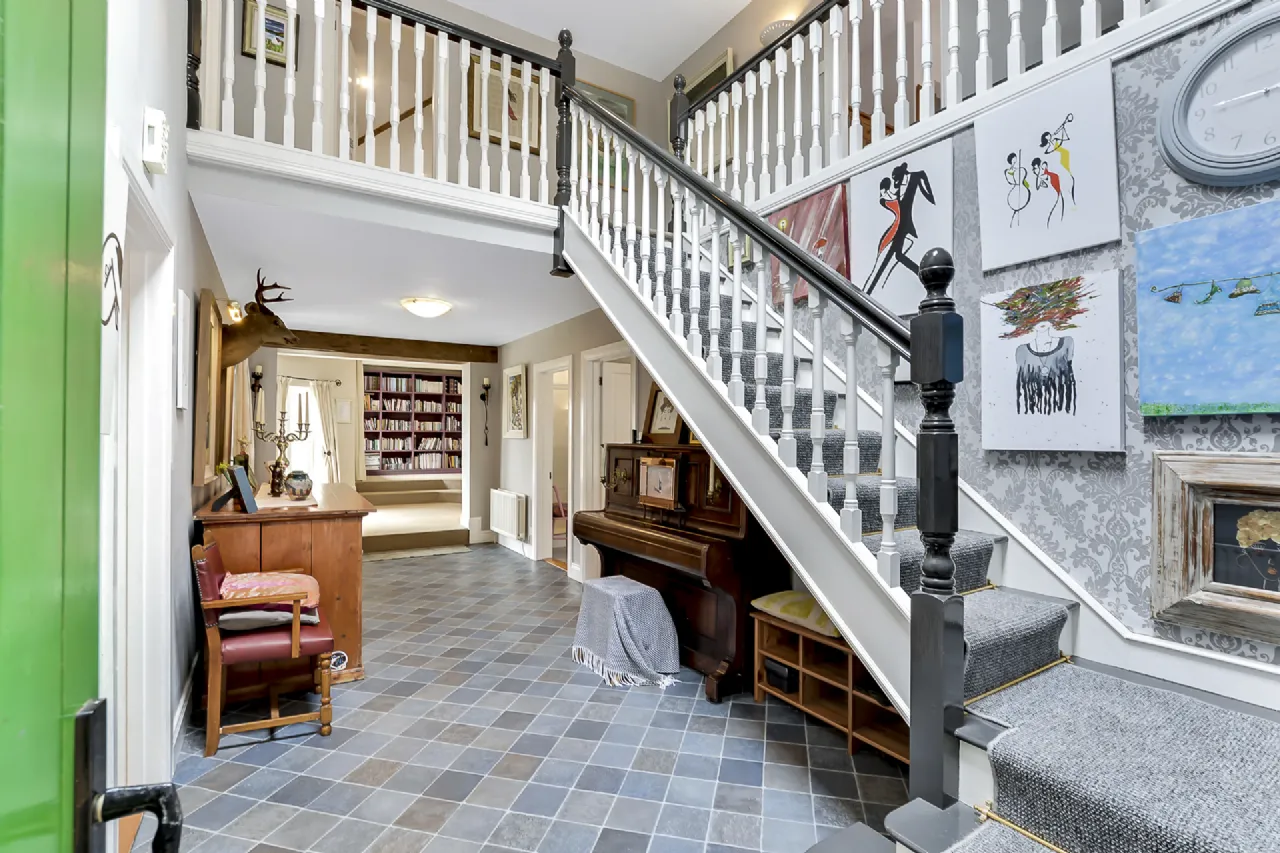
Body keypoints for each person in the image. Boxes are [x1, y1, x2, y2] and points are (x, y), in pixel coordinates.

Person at [864, 162, 934, 295]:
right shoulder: (891, 196)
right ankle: (867, 292)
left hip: (900, 229)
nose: (896, 184)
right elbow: (890, 201)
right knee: (892, 257)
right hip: (896, 229)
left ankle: (868, 292)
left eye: (897, 180)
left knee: (893, 257)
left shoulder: (911, 180)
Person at [1004, 151, 1032, 227]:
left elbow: (1025, 182)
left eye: (1016, 161)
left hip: (1023, 192)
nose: (1015, 163)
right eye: (1013, 161)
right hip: (1014, 192)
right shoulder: (1008, 171)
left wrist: (1026, 185)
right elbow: (1010, 181)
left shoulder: (1019, 170)